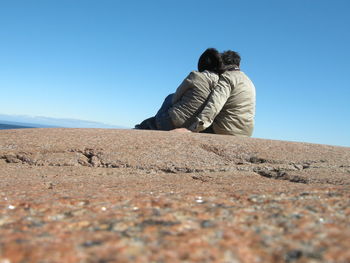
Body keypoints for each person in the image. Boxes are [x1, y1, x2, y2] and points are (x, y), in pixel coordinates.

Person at [135, 48, 227, 130]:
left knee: (170, 97)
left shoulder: (195, 76)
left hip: (169, 122)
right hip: (190, 127)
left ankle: (151, 124)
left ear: (202, 63)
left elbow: (175, 98)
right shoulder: (219, 86)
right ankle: (151, 123)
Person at [189, 50, 256, 136]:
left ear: (222, 63)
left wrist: (194, 128)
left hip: (225, 130)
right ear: (239, 64)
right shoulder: (249, 81)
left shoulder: (227, 78)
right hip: (246, 132)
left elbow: (214, 104)